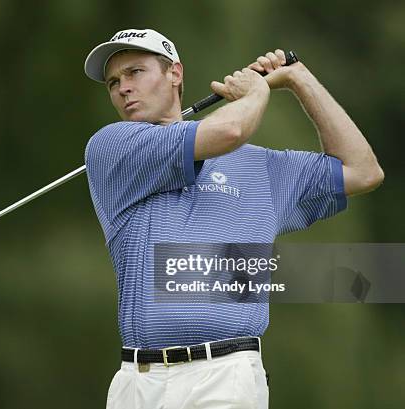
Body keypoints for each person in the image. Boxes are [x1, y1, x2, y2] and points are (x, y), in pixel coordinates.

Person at [83, 28, 383, 409]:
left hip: (225, 376)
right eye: (113, 81)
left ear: (175, 73)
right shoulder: (112, 146)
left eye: (135, 72)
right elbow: (230, 129)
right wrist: (256, 92)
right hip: (137, 382)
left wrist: (299, 79)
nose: (123, 88)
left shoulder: (263, 167)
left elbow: (363, 171)